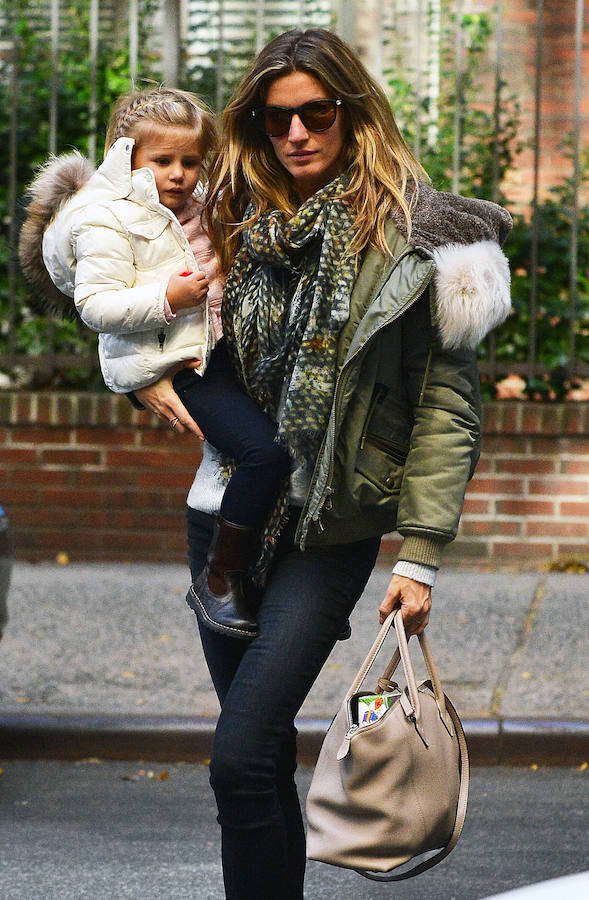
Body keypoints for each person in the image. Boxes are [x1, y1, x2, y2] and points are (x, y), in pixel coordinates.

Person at [126, 28, 512, 899]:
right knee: (254, 759)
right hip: (221, 514)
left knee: (236, 751)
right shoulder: (223, 218)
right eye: (275, 119)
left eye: (316, 113)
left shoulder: (421, 239)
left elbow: (446, 412)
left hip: (327, 527)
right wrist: (139, 377)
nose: (297, 133)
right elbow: (109, 286)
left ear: (352, 112)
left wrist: (419, 555)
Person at [19, 86, 291, 640]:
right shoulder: (107, 219)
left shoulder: (202, 202)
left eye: (191, 161)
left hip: (218, 352)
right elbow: (95, 305)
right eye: (162, 160)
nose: (179, 174)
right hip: (178, 363)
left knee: (277, 446)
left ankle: (285, 591)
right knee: (265, 454)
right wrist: (168, 297)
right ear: (126, 156)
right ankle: (219, 578)